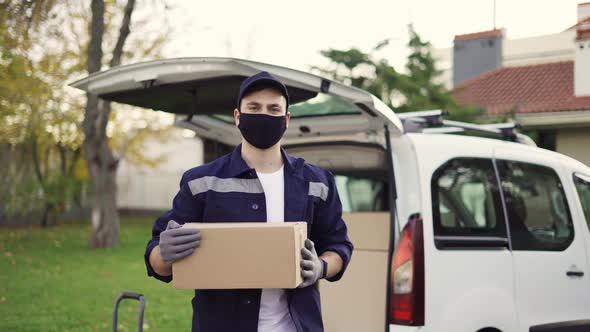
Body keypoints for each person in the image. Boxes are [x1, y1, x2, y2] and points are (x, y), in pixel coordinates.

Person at [144, 71, 353, 332]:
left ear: (286, 119)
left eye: (273, 108)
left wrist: (321, 266)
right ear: (238, 117)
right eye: (254, 107)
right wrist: (163, 254)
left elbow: (339, 246)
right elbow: (157, 261)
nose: (264, 115)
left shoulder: (317, 182)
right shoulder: (201, 181)